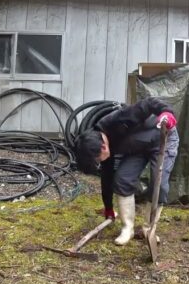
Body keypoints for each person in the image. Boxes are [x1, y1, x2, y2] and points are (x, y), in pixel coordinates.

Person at [74, 98, 179, 245]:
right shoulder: (102, 147)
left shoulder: (116, 120)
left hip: (162, 138)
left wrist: (167, 112)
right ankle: (127, 228)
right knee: (122, 180)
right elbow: (107, 177)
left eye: (97, 160)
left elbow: (148, 103)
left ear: (103, 148)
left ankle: (149, 229)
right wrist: (109, 208)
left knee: (159, 184)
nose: (99, 163)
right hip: (137, 149)